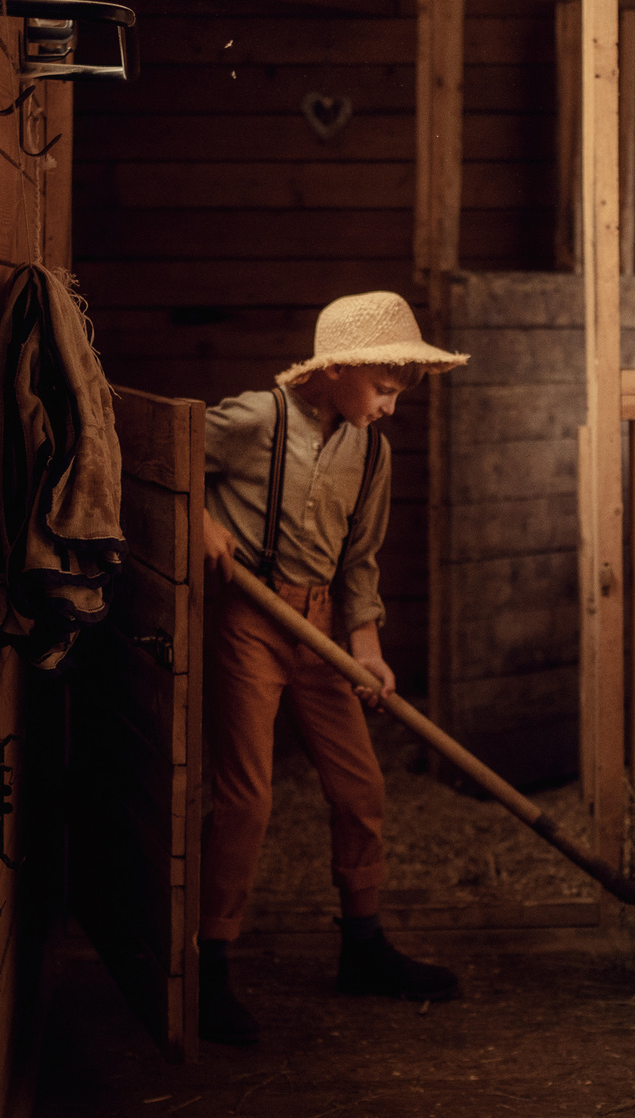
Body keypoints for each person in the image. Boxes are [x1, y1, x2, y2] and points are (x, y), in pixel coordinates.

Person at [199, 291, 468, 1045]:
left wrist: (366, 650)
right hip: (251, 619)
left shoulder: (372, 452)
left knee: (361, 787)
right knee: (246, 799)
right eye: (382, 388)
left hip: (319, 632)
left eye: (397, 394)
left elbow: (360, 561)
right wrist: (198, 516)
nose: (389, 407)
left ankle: (363, 947)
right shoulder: (257, 420)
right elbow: (154, 455)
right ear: (338, 369)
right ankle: (208, 965)